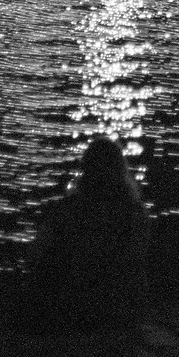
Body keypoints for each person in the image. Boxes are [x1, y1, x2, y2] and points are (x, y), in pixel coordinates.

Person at [22, 137, 152, 331]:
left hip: (74, 306)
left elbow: (35, 253)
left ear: (85, 171)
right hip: (121, 307)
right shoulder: (135, 212)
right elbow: (137, 257)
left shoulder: (66, 210)